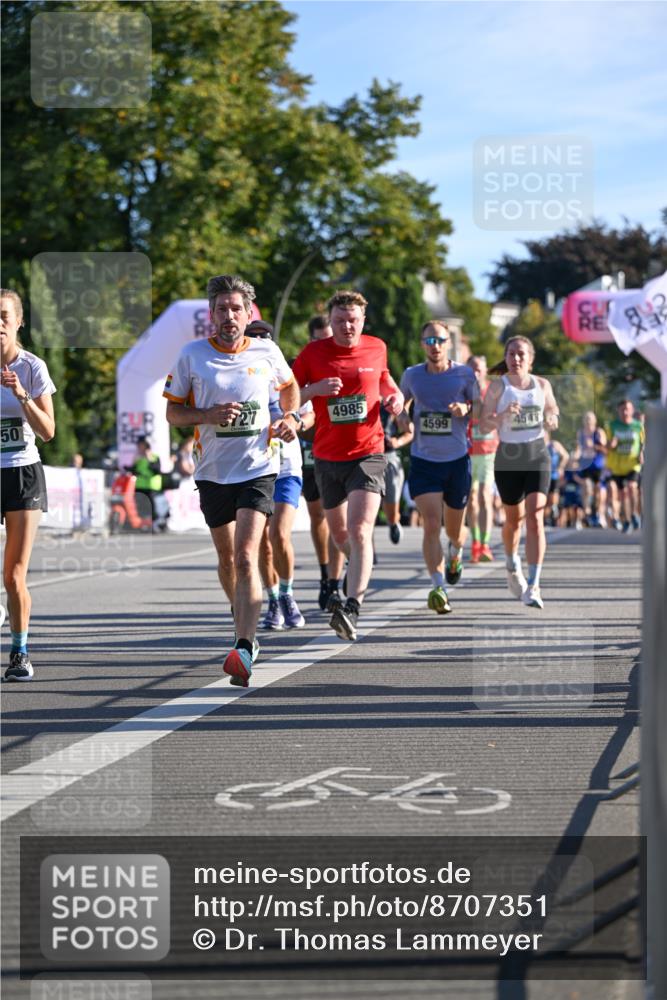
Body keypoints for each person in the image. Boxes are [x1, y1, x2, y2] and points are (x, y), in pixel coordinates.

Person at [164, 274, 300, 686]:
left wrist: (288, 418)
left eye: (236, 309)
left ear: (248, 313)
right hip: (212, 472)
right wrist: (207, 415)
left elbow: (290, 387)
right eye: (221, 309)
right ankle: (242, 614)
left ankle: (244, 644)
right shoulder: (191, 356)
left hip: (258, 468)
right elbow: (173, 414)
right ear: (212, 314)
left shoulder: (266, 351)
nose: (229, 316)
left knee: (246, 555)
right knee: (226, 561)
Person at [292, 290, 404, 641]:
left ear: (363, 320)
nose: (346, 326)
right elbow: (288, 394)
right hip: (327, 457)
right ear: (331, 321)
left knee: (359, 530)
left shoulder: (377, 347)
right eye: (339, 320)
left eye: (353, 319)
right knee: (340, 536)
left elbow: (385, 379)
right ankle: (360, 563)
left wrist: (395, 396)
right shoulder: (313, 353)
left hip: (368, 453)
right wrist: (316, 389)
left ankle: (352, 606)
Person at [398, 322, 477, 615]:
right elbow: (400, 403)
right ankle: (438, 585)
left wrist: (466, 409)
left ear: (448, 343)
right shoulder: (412, 375)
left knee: (455, 531)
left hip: (457, 461)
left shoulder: (464, 374)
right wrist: (403, 418)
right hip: (424, 460)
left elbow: (480, 406)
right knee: (431, 524)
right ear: (422, 343)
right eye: (429, 340)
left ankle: (456, 552)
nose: (434, 345)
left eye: (440, 340)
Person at [479, 336, 559, 609]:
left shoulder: (542, 385)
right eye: (511, 354)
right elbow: (483, 425)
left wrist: (552, 418)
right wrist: (502, 417)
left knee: (535, 515)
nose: (515, 359)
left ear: (530, 359)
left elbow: (553, 409)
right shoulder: (497, 388)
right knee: (514, 520)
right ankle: (512, 561)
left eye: (521, 354)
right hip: (508, 458)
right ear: (506, 356)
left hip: (536, 454)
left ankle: (534, 585)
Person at [1, 289, 56, 681]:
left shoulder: (32, 367)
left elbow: (49, 431)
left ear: (18, 322)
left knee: (14, 574)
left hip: (22, 472)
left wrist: (21, 395)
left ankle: (19, 653)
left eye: (4, 316)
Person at [466, 355, 498, 563]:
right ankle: (475, 542)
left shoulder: (494, 391)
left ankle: (485, 545)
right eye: (472, 369)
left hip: (488, 451)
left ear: (486, 370)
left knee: (485, 497)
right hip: (468, 451)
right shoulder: (463, 391)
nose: (476, 372)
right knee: (471, 498)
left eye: (479, 368)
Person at [606, 399, 644, 533]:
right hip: (616, 467)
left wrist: (641, 453)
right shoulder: (611, 425)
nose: (625, 412)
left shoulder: (638, 426)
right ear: (618, 411)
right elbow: (605, 445)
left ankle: (634, 514)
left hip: (633, 465)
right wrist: (611, 445)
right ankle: (626, 519)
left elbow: (643, 443)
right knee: (620, 494)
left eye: (628, 409)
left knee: (632, 487)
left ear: (632, 410)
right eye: (622, 409)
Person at [380, 404, 413, 544]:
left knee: (391, 511)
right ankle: (367, 556)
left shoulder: (390, 403)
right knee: (365, 515)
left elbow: (410, 431)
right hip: (365, 458)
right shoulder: (358, 399)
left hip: (388, 458)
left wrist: (397, 442)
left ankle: (393, 523)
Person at [576, 411, 607, 527]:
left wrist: (594, 445)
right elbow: (579, 448)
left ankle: (598, 513)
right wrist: (576, 456)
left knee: (598, 490)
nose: (588, 421)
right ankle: (587, 512)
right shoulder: (580, 433)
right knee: (587, 487)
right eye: (586, 419)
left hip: (598, 465)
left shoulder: (599, 432)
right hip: (586, 465)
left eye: (590, 419)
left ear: (594, 421)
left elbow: (605, 449)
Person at [127, 436, 166, 524]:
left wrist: (149, 459)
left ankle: (155, 522)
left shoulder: (154, 457)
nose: (140, 448)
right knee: (139, 506)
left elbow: (157, 470)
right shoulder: (138, 458)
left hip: (152, 487)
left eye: (142, 446)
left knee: (152, 506)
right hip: (139, 486)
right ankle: (142, 522)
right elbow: (134, 471)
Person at [544, 430, 568, 526]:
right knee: (543, 499)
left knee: (553, 496)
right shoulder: (537, 446)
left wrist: (560, 467)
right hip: (542, 475)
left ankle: (554, 509)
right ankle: (546, 519)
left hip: (553, 474)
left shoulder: (554, 445)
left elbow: (566, 456)